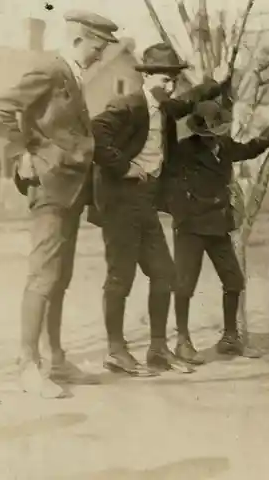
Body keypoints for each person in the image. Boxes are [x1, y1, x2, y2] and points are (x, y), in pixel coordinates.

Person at [0, 10, 119, 398]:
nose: (100, 55)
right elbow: (1, 108)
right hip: (50, 187)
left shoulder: (72, 76)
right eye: (98, 46)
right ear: (80, 38)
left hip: (72, 189)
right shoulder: (50, 69)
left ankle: (55, 359)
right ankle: (27, 365)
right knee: (44, 275)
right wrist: (21, 154)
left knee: (61, 276)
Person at [91, 43, 230, 376]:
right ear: (146, 75)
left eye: (173, 79)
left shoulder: (165, 109)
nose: (170, 86)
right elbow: (95, 133)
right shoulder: (128, 105)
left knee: (165, 274)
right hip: (120, 202)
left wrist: (216, 81)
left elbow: (188, 100)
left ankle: (158, 348)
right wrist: (122, 166)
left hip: (145, 202)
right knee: (120, 277)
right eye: (164, 79)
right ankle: (116, 351)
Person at [165, 99, 269, 362]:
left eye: (218, 132)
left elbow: (248, 150)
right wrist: (185, 210)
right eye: (210, 134)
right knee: (185, 285)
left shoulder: (225, 145)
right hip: (191, 228)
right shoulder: (185, 149)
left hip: (218, 226)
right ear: (199, 133)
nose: (214, 138)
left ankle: (230, 337)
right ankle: (182, 341)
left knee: (234, 281)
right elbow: (170, 183)